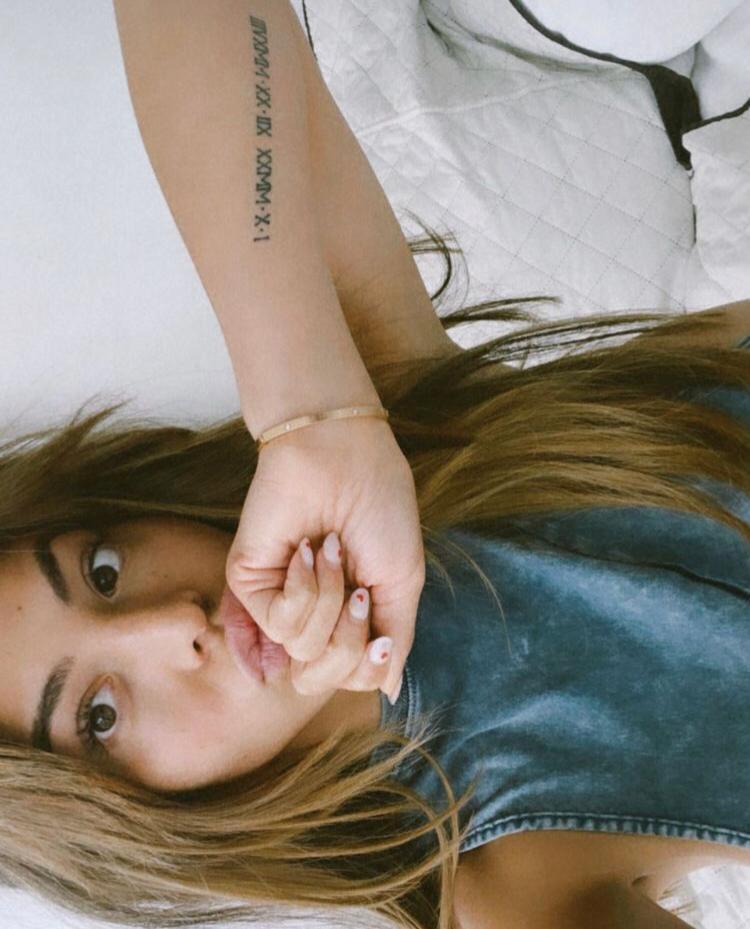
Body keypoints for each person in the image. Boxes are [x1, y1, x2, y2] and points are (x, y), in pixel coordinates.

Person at [1, 2, 750, 929]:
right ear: (125, 819)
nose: (173, 625)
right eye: (100, 716)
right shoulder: (504, 874)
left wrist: (312, 415)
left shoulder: (407, 433)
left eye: (103, 569)